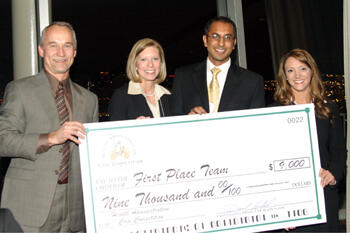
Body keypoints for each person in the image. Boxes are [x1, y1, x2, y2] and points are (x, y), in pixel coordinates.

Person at [0, 21, 99, 232]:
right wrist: (51, 138)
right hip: (30, 205)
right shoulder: (20, 90)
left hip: (76, 210)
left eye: (67, 45)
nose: (61, 52)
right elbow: (3, 140)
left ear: (74, 52)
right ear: (41, 50)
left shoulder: (90, 99)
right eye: (53, 45)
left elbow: (95, 151)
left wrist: (132, 132)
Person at [273, 48, 346, 232]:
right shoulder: (275, 111)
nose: (297, 75)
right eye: (290, 70)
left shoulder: (328, 108)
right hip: (291, 201)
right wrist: (280, 210)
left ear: (312, 71)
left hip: (324, 196)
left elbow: (338, 151)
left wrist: (334, 174)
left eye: (303, 68)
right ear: (285, 76)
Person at [170, 16, 265, 116]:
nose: (221, 43)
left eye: (227, 37)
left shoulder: (252, 82)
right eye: (215, 36)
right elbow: (173, 118)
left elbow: (257, 125)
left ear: (234, 43)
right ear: (205, 40)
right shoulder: (183, 77)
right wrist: (187, 120)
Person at [108, 38, 171, 120]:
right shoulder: (121, 97)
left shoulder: (170, 95)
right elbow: (114, 132)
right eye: (143, 59)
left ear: (161, 63)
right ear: (135, 64)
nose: (150, 64)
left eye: (155, 59)